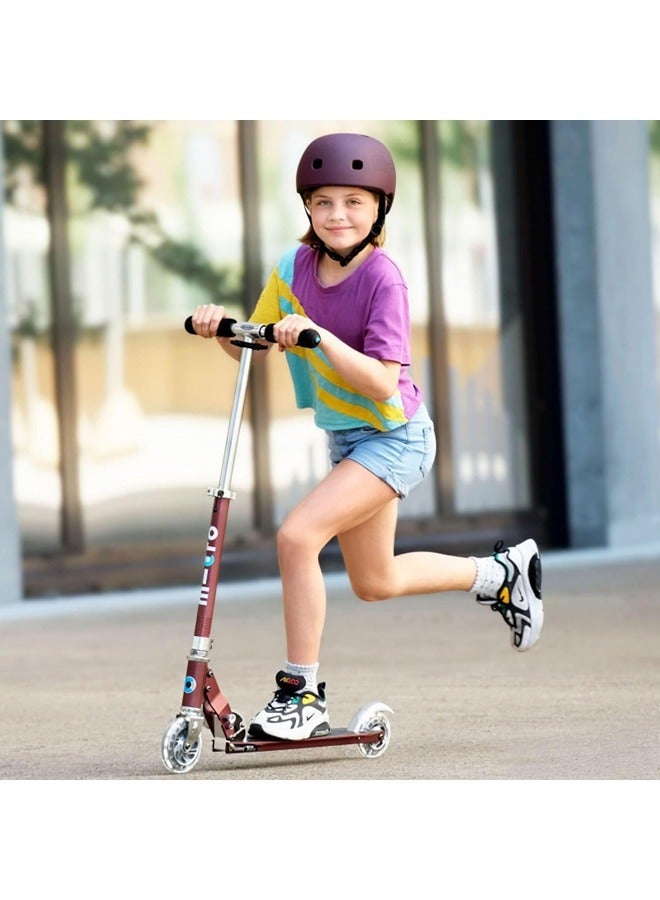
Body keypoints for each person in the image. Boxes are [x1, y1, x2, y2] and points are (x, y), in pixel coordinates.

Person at [191, 132, 543, 741]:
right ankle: (501, 575)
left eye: (354, 202)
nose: (338, 215)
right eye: (324, 202)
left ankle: (300, 692)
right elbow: (254, 341)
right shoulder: (291, 269)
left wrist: (319, 338)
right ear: (307, 207)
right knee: (373, 582)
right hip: (348, 441)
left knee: (297, 537)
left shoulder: (385, 279)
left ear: (380, 207)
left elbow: (383, 383)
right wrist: (220, 327)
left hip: (395, 436)